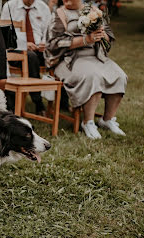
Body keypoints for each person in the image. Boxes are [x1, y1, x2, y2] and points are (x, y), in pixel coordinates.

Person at [45, 0, 127, 139]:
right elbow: (54, 43)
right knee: (91, 76)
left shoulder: (94, 12)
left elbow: (109, 38)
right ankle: (87, 122)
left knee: (119, 75)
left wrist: (101, 34)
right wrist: (85, 40)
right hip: (69, 59)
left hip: (95, 57)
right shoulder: (60, 14)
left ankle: (107, 120)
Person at [1, 0, 51, 116]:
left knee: (58, 57)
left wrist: (44, 43)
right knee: (31, 57)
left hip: (40, 50)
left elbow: (48, 32)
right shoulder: (10, 6)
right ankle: (38, 102)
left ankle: (62, 102)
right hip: (16, 50)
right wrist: (24, 44)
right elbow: (5, 33)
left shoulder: (43, 7)